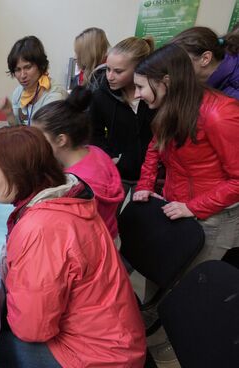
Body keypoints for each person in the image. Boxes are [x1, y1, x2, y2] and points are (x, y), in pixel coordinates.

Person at [0, 126, 145, 367]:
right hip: (116, 338)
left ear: (16, 175)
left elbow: (31, 329)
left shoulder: (42, 228)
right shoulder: (66, 196)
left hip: (99, 358)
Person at [132, 43, 239, 270]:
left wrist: (193, 207)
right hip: (176, 205)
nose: (136, 94)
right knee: (160, 272)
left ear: (167, 82)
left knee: (187, 289)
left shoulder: (219, 114)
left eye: (140, 86)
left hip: (210, 218)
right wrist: (145, 184)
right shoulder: (170, 105)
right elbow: (155, 147)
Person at [33, 86, 124, 241]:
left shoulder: (77, 187)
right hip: (109, 236)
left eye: (38, 138)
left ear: (61, 140)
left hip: (92, 247)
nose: (33, 143)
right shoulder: (95, 152)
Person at [89, 36, 156, 184]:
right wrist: (109, 157)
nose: (110, 77)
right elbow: (94, 133)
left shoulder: (155, 95)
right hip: (119, 176)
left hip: (153, 178)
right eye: (108, 69)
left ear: (139, 68)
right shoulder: (101, 97)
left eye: (118, 71)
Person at [0, 36, 67, 126]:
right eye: (18, 70)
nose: (23, 75)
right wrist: (9, 114)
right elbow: (16, 129)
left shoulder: (55, 95)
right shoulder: (18, 93)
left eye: (28, 67)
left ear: (40, 65)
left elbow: (47, 136)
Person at [169, 26, 239, 99]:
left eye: (180, 61)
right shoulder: (203, 84)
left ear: (205, 58)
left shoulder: (233, 94)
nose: (173, 69)